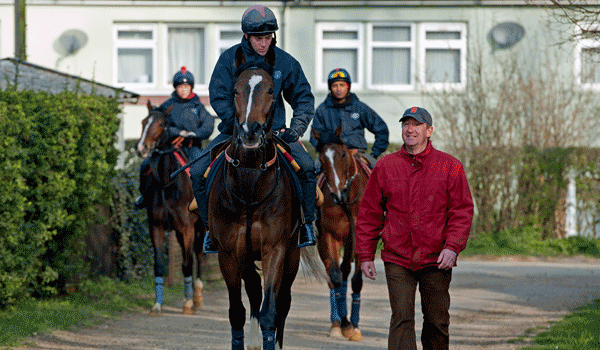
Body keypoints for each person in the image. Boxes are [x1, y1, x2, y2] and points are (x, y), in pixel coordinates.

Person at [190, 4, 317, 253]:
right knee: (197, 172)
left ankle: (306, 226)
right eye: (259, 38)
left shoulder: (284, 62)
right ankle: (210, 230)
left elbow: (303, 97)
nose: (264, 43)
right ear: (246, 36)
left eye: (268, 37)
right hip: (234, 130)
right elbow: (218, 95)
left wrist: (297, 127)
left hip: (275, 133)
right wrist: (235, 123)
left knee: (309, 168)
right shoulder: (229, 59)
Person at [356, 106, 474, 350]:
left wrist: (452, 247)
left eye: (416, 124)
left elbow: (461, 211)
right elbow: (369, 213)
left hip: (436, 257)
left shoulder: (450, 166)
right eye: (405, 124)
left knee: (437, 321)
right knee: (401, 319)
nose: (410, 129)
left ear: (429, 131)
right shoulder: (385, 166)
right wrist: (365, 255)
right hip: (398, 257)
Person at [134, 66, 214, 209]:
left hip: (192, 148)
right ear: (176, 88)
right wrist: (177, 132)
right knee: (145, 165)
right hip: (170, 148)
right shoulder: (166, 106)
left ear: (191, 88)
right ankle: (144, 196)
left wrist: (194, 134)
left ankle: (207, 201)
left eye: (186, 86)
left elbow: (208, 124)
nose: (183, 89)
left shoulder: (198, 107)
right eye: (180, 86)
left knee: (205, 168)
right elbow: (157, 124)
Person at [310, 68, 389, 168]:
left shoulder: (360, 107)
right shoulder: (322, 109)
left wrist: (374, 153)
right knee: (312, 173)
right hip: (331, 155)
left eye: (342, 85)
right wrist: (325, 149)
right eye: (334, 85)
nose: (338, 89)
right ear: (330, 88)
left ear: (348, 87)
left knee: (379, 173)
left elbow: (381, 129)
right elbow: (314, 136)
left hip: (358, 154)